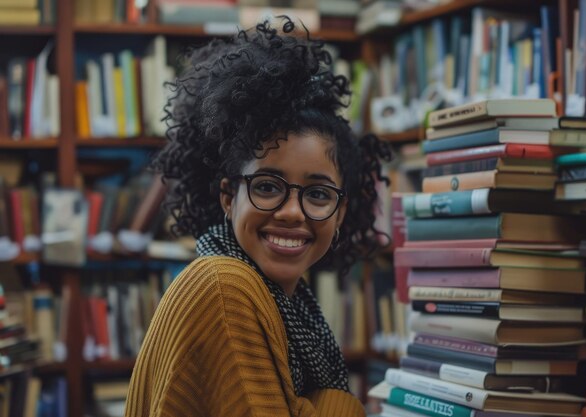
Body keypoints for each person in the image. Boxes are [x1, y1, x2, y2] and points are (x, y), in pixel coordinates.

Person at [124, 18, 391, 417]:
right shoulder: (224, 287)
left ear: (341, 212)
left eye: (318, 194)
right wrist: (344, 406)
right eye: (267, 186)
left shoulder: (290, 303)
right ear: (229, 196)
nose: (291, 212)